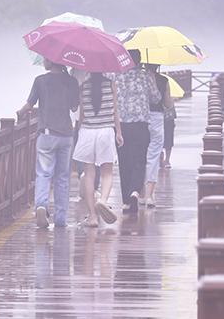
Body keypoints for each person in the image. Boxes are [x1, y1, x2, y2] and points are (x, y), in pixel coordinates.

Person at [18, 58, 80, 229]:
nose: (44, 60)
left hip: (46, 134)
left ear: (51, 61)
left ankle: (41, 205)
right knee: (62, 178)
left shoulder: (40, 81)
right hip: (66, 135)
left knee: (44, 174)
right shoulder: (71, 81)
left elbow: (29, 105)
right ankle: (60, 218)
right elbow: (75, 107)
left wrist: (20, 113)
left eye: (45, 57)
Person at [113, 50, 161, 213]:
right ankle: (135, 191)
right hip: (141, 125)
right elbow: (156, 98)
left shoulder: (117, 75)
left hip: (121, 126)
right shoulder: (146, 75)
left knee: (124, 161)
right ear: (139, 60)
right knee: (139, 160)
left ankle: (127, 200)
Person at [72, 71, 121, 227]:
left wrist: (80, 132)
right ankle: (103, 200)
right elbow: (115, 111)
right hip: (106, 131)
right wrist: (119, 132)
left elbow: (82, 115)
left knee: (88, 174)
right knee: (107, 172)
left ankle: (92, 216)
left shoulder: (83, 87)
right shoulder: (111, 84)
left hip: (87, 131)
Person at [143, 65, 171, 207]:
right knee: (153, 155)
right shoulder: (163, 80)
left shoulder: (139, 78)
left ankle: (140, 192)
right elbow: (168, 104)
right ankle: (149, 195)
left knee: (140, 154)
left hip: (140, 119)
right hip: (157, 118)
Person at [161, 92, 176, 169]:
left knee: (168, 139)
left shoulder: (169, 90)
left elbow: (170, 106)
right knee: (157, 139)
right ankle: (162, 158)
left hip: (168, 118)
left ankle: (167, 160)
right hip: (159, 116)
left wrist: (171, 100)